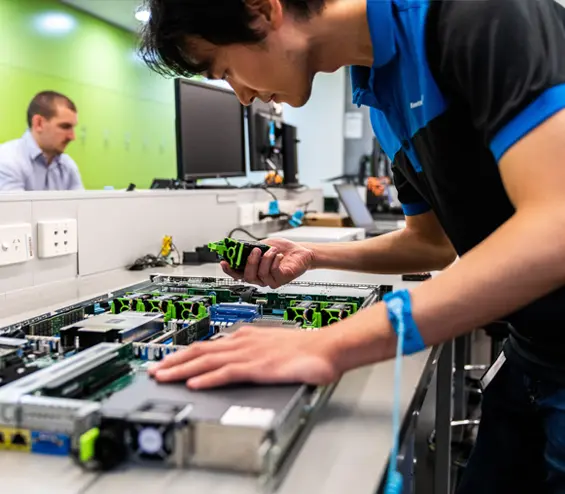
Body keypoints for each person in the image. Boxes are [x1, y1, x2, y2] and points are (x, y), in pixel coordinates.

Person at [140, 1, 565, 492]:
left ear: (262, 10)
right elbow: (431, 245)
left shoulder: (476, 16)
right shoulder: (379, 89)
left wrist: (331, 343)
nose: (240, 96)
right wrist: (313, 256)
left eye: (226, 68)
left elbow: (554, 228)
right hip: (530, 356)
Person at [0, 91, 83, 191]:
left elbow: (81, 206)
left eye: (73, 128)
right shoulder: (7, 161)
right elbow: (16, 207)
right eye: (65, 126)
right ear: (38, 123)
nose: (72, 137)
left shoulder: (68, 167)